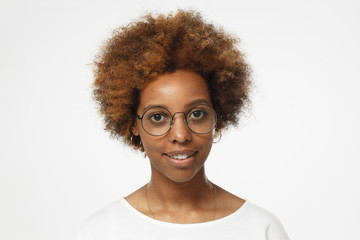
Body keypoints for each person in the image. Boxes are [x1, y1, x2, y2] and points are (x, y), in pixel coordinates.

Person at [76, 9, 290, 240]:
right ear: (132, 124)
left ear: (217, 118)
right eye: (157, 117)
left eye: (197, 113)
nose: (180, 135)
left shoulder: (259, 228)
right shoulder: (103, 231)